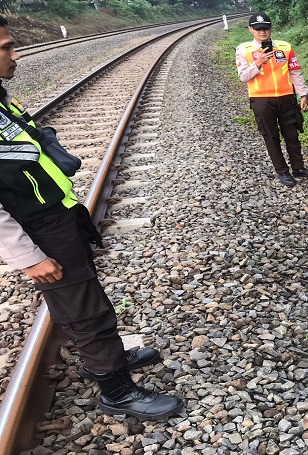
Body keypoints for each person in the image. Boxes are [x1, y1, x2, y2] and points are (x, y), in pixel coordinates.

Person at [0, 17, 183, 420]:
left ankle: (108, 357)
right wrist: (26, 255)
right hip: (39, 229)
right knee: (85, 308)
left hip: (57, 215)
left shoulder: (1, 97)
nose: (16, 54)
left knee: (87, 295)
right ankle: (116, 391)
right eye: (6, 48)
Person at [235, 12, 308, 187]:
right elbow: (243, 77)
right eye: (258, 29)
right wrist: (258, 63)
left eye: (265, 28)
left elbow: (295, 72)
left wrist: (303, 94)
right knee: (271, 137)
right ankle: (282, 171)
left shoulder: (285, 47)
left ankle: (298, 168)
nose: (262, 32)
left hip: (286, 98)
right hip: (261, 100)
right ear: (251, 30)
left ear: (271, 28)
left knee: (292, 134)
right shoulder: (244, 50)